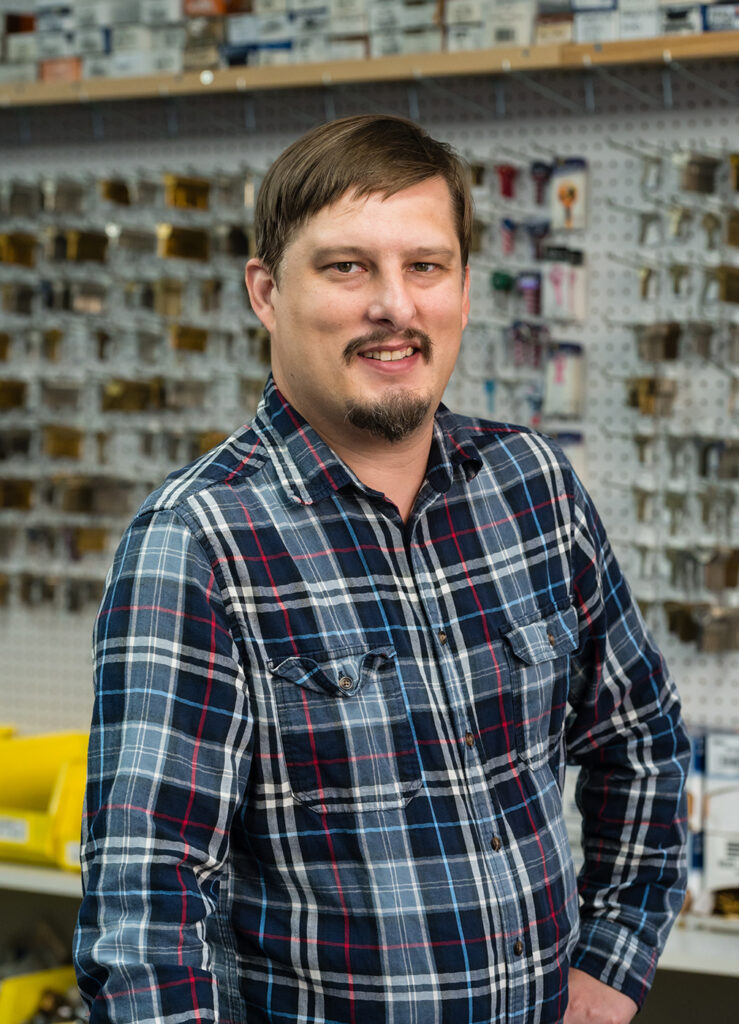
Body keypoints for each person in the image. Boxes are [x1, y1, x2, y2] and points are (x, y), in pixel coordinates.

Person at [74, 114, 689, 1024]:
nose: (395, 306)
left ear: (464, 290)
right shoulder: (198, 543)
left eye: (425, 266)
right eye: (347, 267)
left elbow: (640, 744)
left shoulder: (532, 485)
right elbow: (145, 910)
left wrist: (609, 965)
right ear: (266, 293)